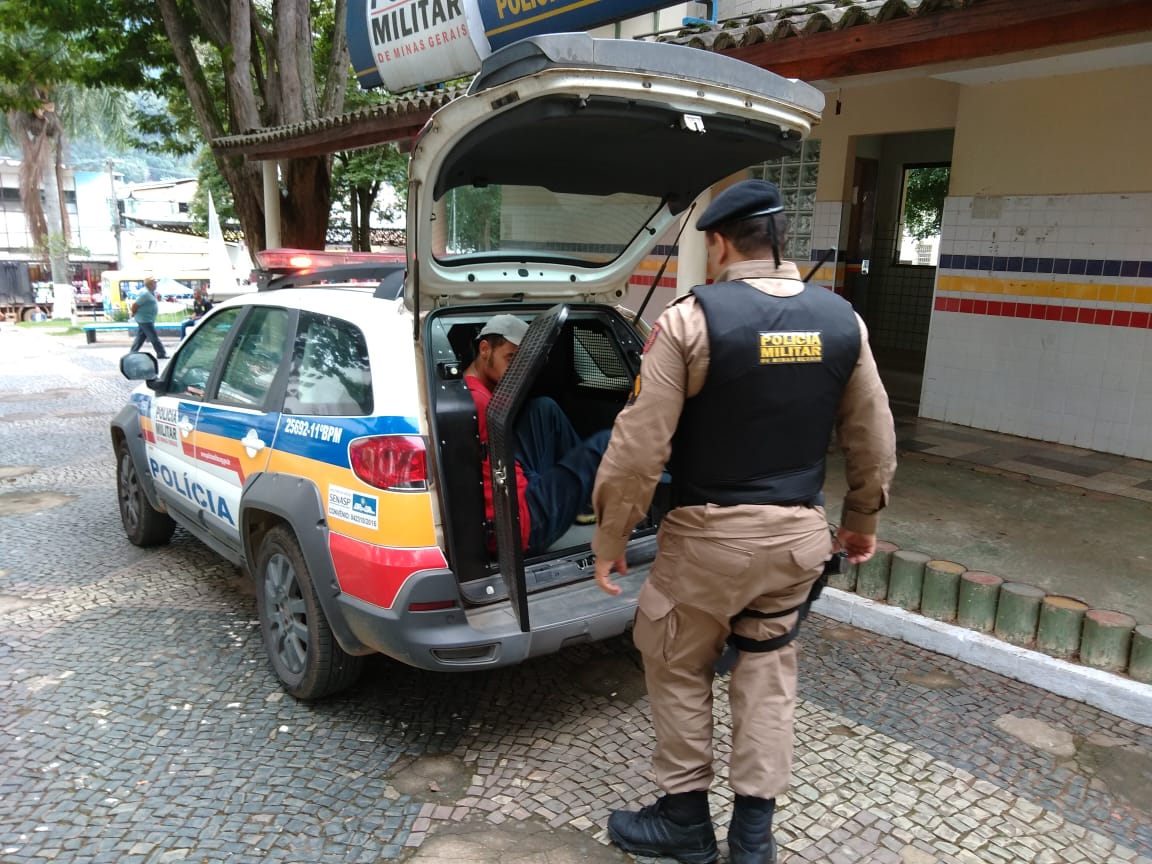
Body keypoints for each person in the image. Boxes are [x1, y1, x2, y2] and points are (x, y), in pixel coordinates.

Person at [592, 179, 897, 864]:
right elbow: (873, 437)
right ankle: (753, 840)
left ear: (721, 244)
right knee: (767, 672)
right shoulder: (843, 322)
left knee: (674, 659)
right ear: (780, 241)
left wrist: (611, 536)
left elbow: (639, 447)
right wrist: (861, 519)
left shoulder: (689, 321)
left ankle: (684, 822)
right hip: (798, 542)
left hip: (708, 541)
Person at [464, 313, 610, 555]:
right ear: (485, 349)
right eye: (510, 358)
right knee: (605, 442)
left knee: (543, 408)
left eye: (522, 362)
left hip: (512, 498)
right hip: (524, 524)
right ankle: (588, 497)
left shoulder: (473, 389)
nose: (516, 370)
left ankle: (583, 498)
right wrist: (547, 485)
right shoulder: (480, 404)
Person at [129, 277, 167, 359]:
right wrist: (133, 313)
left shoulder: (149, 292)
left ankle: (132, 352)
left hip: (146, 319)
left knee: (140, 337)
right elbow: (135, 305)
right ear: (150, 284)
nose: (156, 285)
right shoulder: (145, 293)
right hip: (145, 319)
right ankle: (161, 353)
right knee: (153, 337)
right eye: (154, 283)